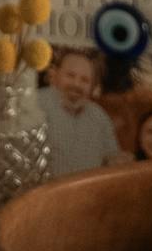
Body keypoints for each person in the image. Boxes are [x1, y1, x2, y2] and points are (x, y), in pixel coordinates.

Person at [41, 46, 126, 176]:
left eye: (84, 80)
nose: (77, 84)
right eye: (70, 75)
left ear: (92, 87)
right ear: (55, 75)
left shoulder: (99, 117)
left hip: (89, 194)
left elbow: (113, 160)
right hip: (44, 194)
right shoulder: (36, 105)